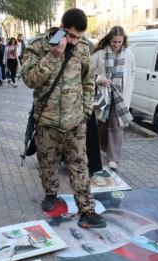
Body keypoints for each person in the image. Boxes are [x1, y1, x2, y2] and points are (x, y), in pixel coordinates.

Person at [21, 8, 106, 228]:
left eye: (79, 37)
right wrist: (52, 56)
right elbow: (29, 79)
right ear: (61, 28)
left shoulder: (83, 48)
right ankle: (51, 194)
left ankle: (87, 210)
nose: (75, 41)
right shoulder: (38, 45)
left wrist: (86, 111)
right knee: (47, 163)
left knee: (80, 165)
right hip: (47, 121)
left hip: (76, 120)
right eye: (71, 35)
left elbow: (89, 83)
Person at [92, 26, 135, 170]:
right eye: (114, 42)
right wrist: (100, 79)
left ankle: (113, 158)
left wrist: (129, 87)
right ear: (109, 40)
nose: (117, 45)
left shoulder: (128, 54)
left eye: (119, 42)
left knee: (116, 125)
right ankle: (105, 149)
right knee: (102, 125)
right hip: (102, 93)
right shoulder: (100, 53)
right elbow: (87, 72)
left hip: (120, 96)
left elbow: (133, 72)